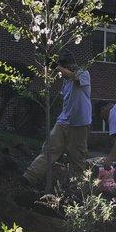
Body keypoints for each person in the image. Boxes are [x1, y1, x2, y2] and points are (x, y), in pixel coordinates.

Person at [23, 50, 92, 187]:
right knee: (50, 149)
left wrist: (53, 65)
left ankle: (77, 188)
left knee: (77, 157)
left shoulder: (83, 73)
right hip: (63, 121)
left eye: (62, 68)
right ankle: (29, 177)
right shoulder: (65, 82)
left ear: (70, 65)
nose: (60, 73)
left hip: (79, 123)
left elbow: (74, 77)